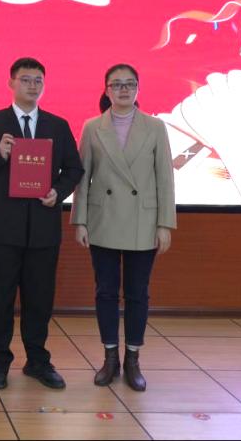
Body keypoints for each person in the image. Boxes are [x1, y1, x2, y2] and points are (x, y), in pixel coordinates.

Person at [0, 57, 84, 390]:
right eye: (26, 79)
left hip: (43, 230)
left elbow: (74, 169)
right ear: (11, 83)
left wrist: (58, 192)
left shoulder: (57, 125)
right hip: (2, 230)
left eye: (38, 80)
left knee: (39, 299)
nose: (32, 85)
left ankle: (38, 360)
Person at [72, 63, 176, 392]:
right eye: (116, 85)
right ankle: (110, 358)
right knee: (105, 292)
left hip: (143, 221)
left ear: (138, 89)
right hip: (103, 219)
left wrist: (165, 223)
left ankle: (133, 359)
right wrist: (79, 220)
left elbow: (165, 178)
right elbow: (83, 178)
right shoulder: (92, 127)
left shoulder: (156, 127)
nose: (123, 90)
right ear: (106, 90)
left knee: (137, 293)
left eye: (129, 84)